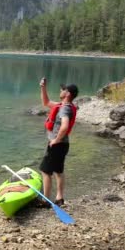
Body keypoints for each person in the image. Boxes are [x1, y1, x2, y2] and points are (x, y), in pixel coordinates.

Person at [37, 77, 78, 207]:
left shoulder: (64, 109)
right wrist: (43, 87)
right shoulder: (66, 106)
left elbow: (64, 126)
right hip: (64, 144)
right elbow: (46, 102)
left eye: (63, 89)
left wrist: (55, 140)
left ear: (68, 94)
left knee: (45, 171)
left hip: (57, 144)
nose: (60, 90)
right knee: (58, 171)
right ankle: (59, 198)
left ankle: (45, 201)